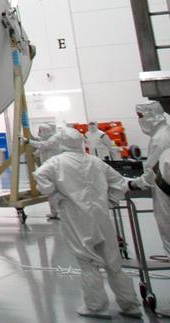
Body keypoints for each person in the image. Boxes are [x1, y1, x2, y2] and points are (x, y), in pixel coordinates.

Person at [33, 128, 141, 319]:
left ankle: (96, 306)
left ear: (62, 142)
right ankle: (130, 305)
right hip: (101, 215)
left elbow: (40, 176)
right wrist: (111, 201)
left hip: (76, 216)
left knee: (87, 261)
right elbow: (119, 182)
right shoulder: (95, 161)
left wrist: (55, 195)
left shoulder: (56, 162)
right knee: (113, 262)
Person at [137, 99, 170, 261]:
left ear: (151, 115)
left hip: (164, 187)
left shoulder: (160, 138)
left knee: (167, 223)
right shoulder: (164, 132)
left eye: (140, 116)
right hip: (164, 185)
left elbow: (152, 170)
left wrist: (135, 183)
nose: (140, 120)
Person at [30, 123, 63, 220]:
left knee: (57, 191)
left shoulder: (54, 140)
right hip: (47, 169)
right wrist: (34, 154)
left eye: (40, 130)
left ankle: (60, 212)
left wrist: (29, 141)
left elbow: (44, 145)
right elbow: (40, 150)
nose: (39, 133)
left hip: (54, 170)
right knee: (50, 192)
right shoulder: (45, 140)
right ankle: (54, 212)